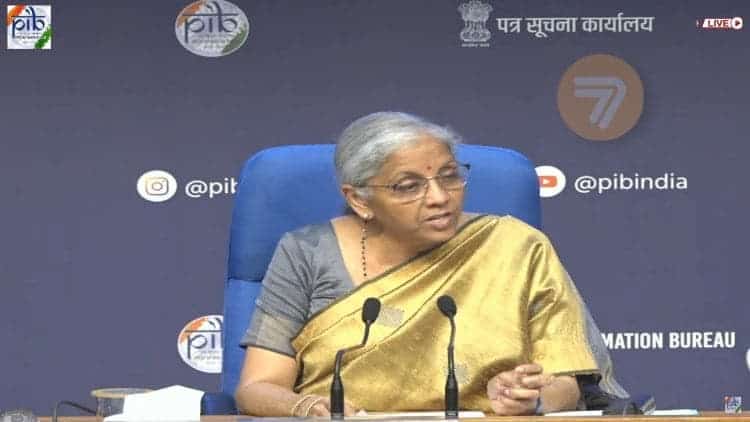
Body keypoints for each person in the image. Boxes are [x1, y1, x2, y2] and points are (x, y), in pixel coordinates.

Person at [234, 111, 628, 417]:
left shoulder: (516, 246)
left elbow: (566, 386)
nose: (440, 197)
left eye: (450, 176)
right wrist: (305, 408)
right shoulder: (306, 252)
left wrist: (529, 399)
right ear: (359, 200)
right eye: (409, 186)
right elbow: (257, 387)